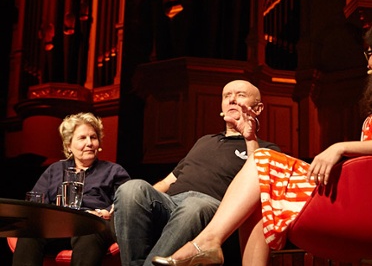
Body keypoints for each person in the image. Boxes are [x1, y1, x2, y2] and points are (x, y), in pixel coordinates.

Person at [151, 18, 372, 266]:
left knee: (263, 162)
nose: (368, 60)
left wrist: (339, 147)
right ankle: (209, 243)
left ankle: (207, 242)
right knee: (263, 195)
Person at [113, 80, 280, 266]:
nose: (232, 99)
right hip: (171, 204)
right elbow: (169, 180)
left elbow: (257, 177)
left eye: (240, 95)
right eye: (227, 96)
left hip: (213, 211)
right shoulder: (204, 141)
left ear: (257, 108)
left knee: (195, 204)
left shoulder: (265, 149)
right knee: (130, 188)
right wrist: (134, 200)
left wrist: (250, 138)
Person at [12, 112, 131, 265]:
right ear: (68, 145)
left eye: (93, 138)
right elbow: (37, 203)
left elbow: (127, 202)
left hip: (93, 226)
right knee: (30, 234)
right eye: (82, 138)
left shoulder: (113, 170)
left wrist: (107, 211)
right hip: (58, 228)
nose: (89, 143)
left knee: (88, 232)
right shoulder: (55, 170)